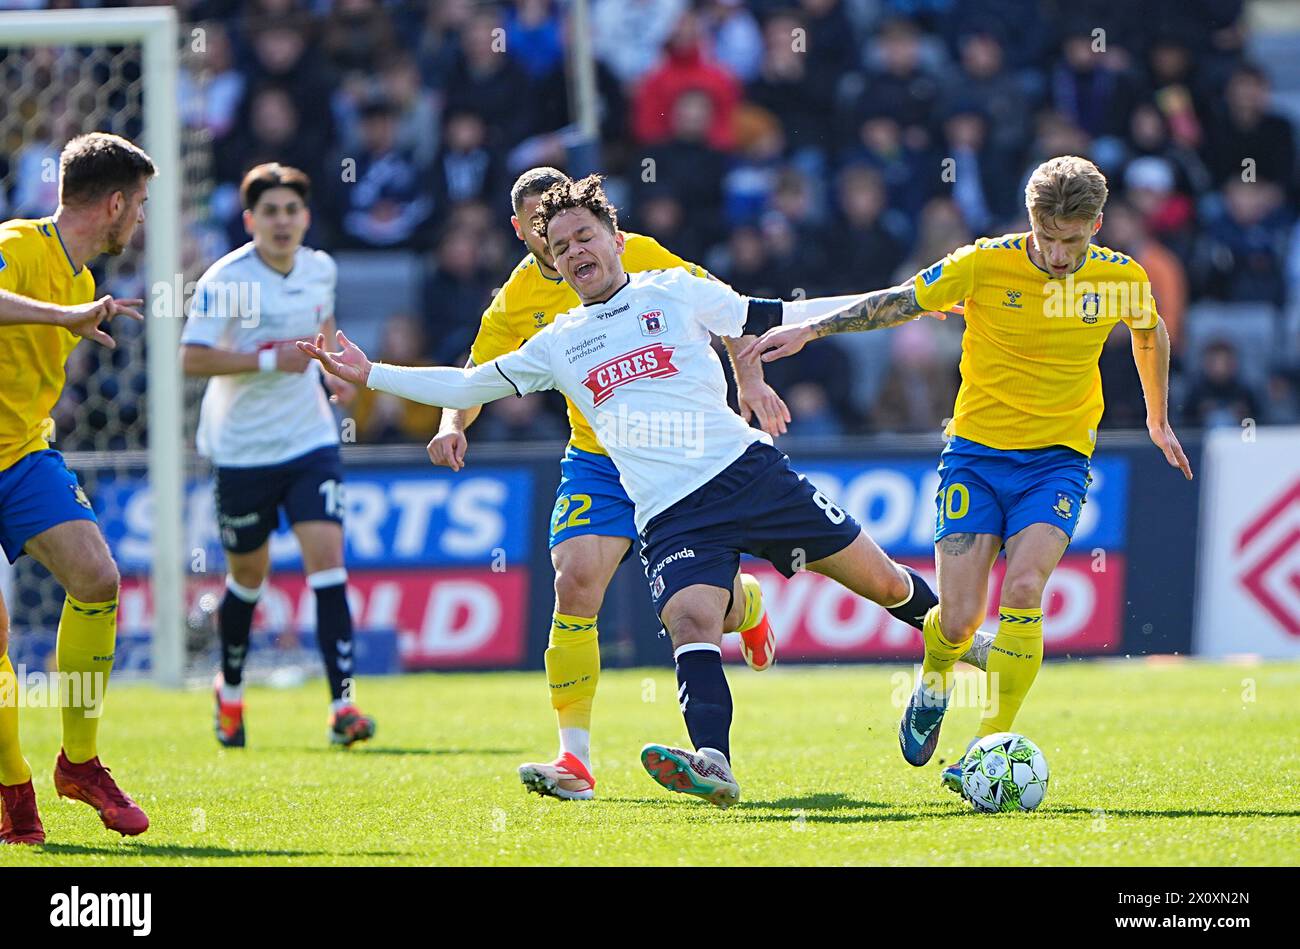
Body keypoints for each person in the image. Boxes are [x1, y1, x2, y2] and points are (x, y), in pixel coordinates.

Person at [299, 175, 991, 809]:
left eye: (584, 238)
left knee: (887, 586)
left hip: (750, 476)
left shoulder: (672, 289)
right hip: (672, 516)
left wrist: (909, 302)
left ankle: (969, 645)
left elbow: (775, 311)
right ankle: (713, 760)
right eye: (561, 246)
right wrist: (373, 373)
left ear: (616, 241)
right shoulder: (557, 342)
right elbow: (466, 384)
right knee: (690, 624)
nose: (573, 253)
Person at [743, 155, 1193, 792]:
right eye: (1047, 236)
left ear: (1096, 223)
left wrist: (1157, 418)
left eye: (1073, 239)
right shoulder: (983, 263)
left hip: (1058, 461)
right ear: (1030, 219)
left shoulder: (1121, 278)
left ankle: (987, 747)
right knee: (956, 620)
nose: (1059, 254)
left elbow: (1150, 333)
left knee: (1025, 590)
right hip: (976, 458)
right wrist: (811, 331)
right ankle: (932, 683)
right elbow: (899, 302)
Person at [426, 168, 787, 802]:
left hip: (677, 454)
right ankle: (576, 760)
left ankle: (745, 604)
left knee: (705, 606)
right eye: (546, 226)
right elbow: (477, 370)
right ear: (523, 230)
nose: (564, 238)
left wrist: (750, 381)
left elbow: (722, 306)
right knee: (574, 582)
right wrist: (453, 422)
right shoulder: (516, 297)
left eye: (573, 223)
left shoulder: (637, 250)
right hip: (598, 459)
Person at [180, 163, 376, 750]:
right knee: (247, 577)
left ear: (305, 217)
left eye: (292, 210)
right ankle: (231, 691)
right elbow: (192, 358)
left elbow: (324, 326)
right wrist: (268, 361)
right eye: (271, 212)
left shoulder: (320, 268)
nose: (283, 221)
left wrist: (334, 372)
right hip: (241, 448)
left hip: (308, 439)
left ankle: (343, 706)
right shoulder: (226, 278)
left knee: (329, 562)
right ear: (250, 221)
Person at [0, 132, 157, 844]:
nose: (143, 221)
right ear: (116, 203)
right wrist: (61, 318)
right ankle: (13, 792)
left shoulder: (86, 283)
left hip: (22, 454)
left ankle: (80, 764)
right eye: (143, 205)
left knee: (97, 578)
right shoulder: (22, 244)